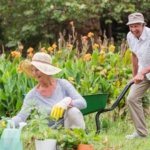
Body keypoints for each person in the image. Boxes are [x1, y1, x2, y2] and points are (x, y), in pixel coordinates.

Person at [12, 52, 87, 129]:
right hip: (49, 134)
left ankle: (76, 139)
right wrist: (8, 123)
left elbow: (82, 102)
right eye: (32, 70)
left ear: (46, 70)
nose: (34, 73)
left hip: (69, 131)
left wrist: (65, 103)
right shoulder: (32, 95)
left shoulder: (63, 84)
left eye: (37, 70)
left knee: (73, 111)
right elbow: (21, 117)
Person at [125, 13, 150, 139]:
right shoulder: (130, 36)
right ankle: (141, 133)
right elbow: (134, 55)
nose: (133, 29)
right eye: (131, 26)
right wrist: (134, 76)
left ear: (143, 25)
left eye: (136, 26)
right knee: (132, 98)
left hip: (145, 71)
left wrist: (142, 73)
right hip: (144, 72)